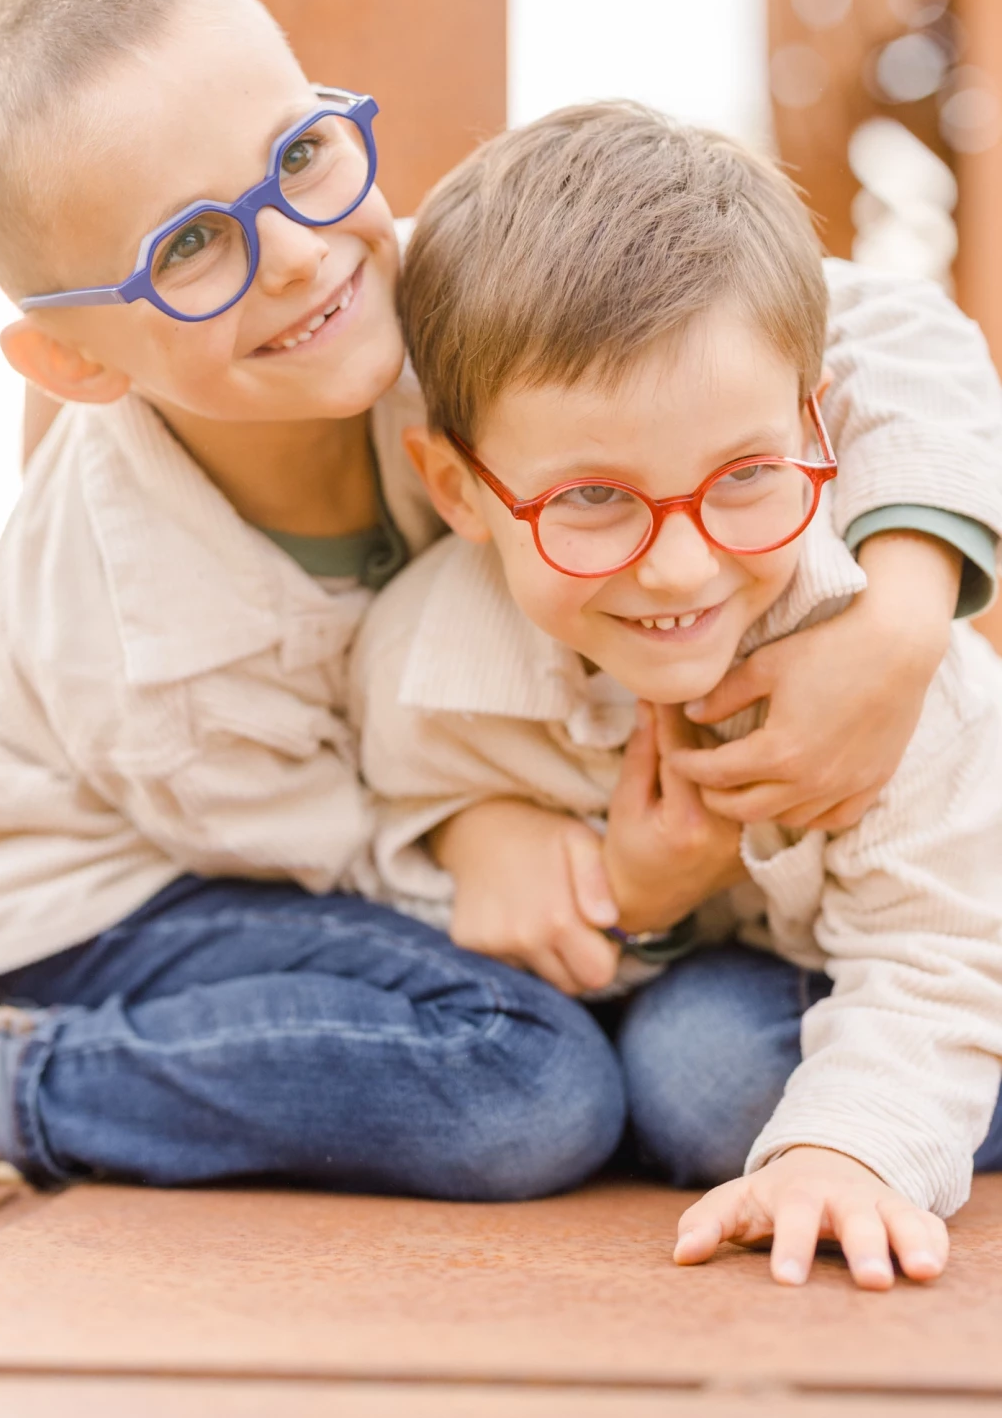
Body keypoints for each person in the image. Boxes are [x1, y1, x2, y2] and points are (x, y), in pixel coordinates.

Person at [0, 0, 998, 1196]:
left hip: (472, 839)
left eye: (299, 156)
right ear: (81, 366)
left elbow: (880, 326)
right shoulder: (137, 638)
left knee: (684, 1065)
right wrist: (498, 848)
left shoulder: (450, 293)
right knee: (523, 1086)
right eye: (188, 248)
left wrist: (904, 611)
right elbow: (350, 861)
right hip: (119, 888)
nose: (297, 253)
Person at [353, 100, 1002, 1288]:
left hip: (971, 936)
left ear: (818, 424)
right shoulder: (420, 671)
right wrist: (519, 853)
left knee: (716, 1094)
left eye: (747, 476)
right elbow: (395, 839)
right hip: (772, 964)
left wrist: (845, 1155)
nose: (682, 566)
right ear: (457, 489)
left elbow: (945, 949)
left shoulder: (891, 677)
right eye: (592, 499)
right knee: (694, 1071)